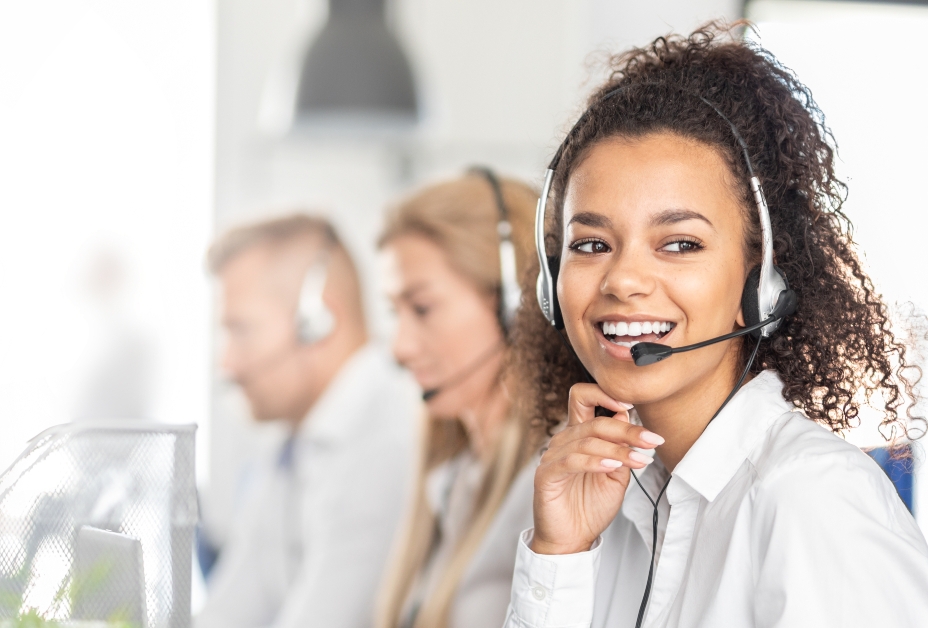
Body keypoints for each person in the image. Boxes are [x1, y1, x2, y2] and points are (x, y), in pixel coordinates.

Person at [504, 23, 928, 628]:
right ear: (553, 283)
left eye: (679, 243)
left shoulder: (809, 498)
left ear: (759, 286)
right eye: (592, 243)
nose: (623, 281)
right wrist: (560, 556)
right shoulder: (614, 502)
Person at [199, 214, 420, 628]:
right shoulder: (291, 442)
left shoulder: (387, 442)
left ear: (318, 321)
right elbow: (229, 611)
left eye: (241, 331)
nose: (227, 362)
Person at [372, 170, 561, 628]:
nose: (400, 348)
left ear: (516, 305)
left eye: (422, 308)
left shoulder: (553, 484)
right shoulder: (452, 481)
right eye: (394, 313)